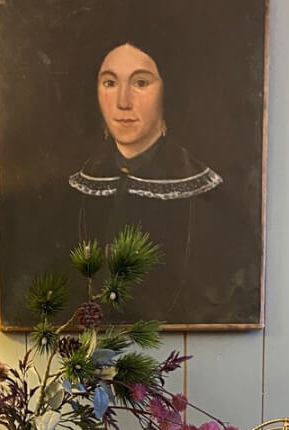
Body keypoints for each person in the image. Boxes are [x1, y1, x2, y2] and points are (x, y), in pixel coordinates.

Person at [68, 36, 226, 322]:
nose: (123, 102)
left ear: (168, 91)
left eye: (141, 83)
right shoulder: (74, 187)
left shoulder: (205, 192)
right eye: (110, 83)